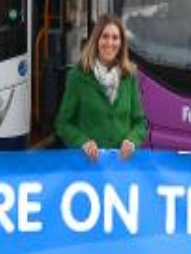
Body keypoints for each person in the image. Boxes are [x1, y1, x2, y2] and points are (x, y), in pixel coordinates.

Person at [55, 14, 148, 162]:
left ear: (121, 43)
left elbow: (140, 123)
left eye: (115, 38)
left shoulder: (129, 76)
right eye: (105, 36)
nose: (110, 43)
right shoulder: (77, 76)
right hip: (89, 168)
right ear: (96, 39)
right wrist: (82, 142)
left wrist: (131, 141)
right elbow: (63, 124)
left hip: (120, 167)